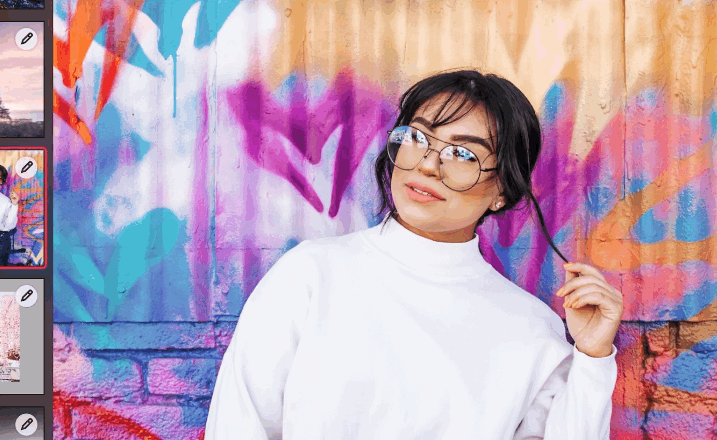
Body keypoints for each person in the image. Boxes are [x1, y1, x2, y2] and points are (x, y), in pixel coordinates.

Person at [204, 69, 622, 439]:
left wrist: (592, 359)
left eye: (463, 153)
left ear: (502, 190)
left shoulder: (532, 332)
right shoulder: (310, 276)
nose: (427, 165)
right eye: (417, 137)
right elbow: (240, 422)